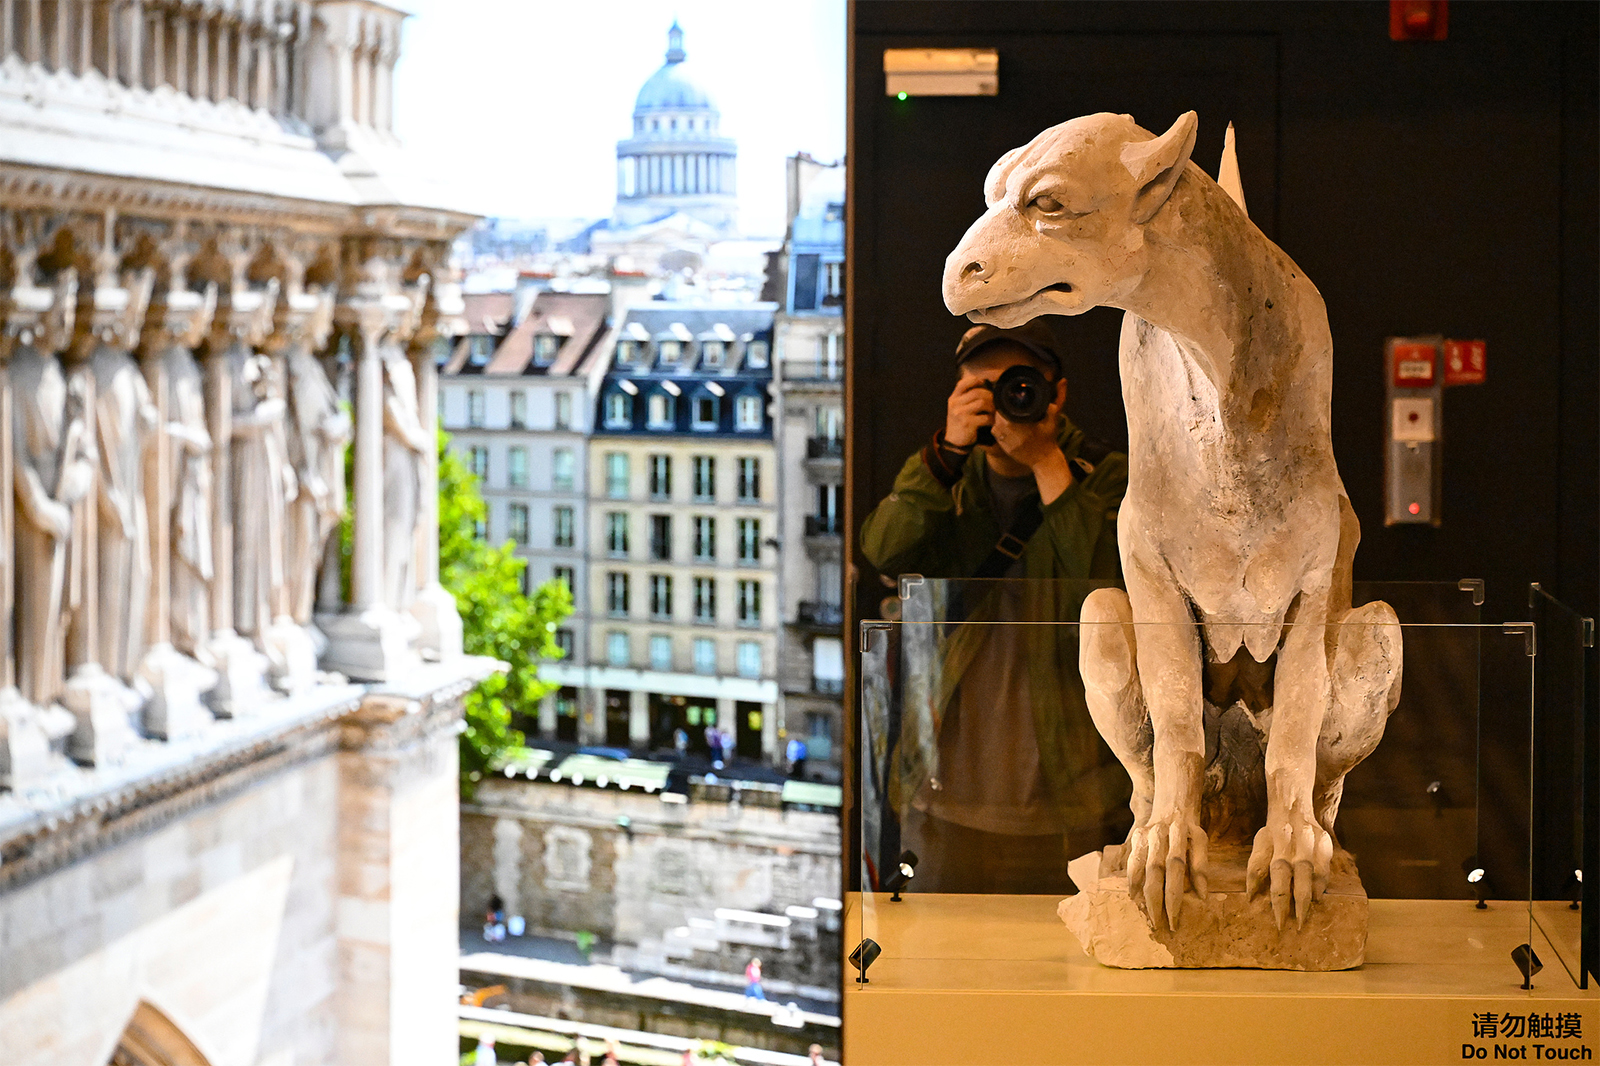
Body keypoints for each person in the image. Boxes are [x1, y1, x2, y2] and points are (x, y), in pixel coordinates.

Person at [860, 321, 1130, 895]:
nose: (1008, 398)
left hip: (1071, 799)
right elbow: (883, 548)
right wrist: (945, 455)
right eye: (983, 385)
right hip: (942, 797)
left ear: (1055, 393)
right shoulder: (944, 481)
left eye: (1020, 382)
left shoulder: (1107, 476)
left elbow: (1105, 585)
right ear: (958, 396)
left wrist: (1048, 463)